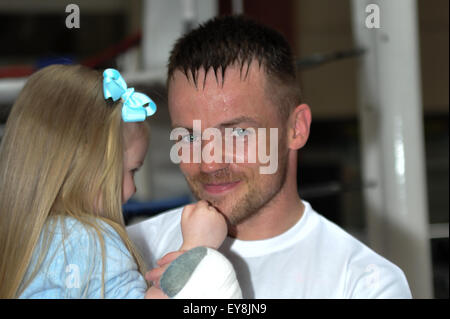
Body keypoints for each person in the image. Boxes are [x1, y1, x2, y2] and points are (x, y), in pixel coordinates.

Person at [127, 15, 413, 298]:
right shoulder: (130, 253)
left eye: (237, 133)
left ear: (296, 129)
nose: (209, 163)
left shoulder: (365, 285)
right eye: (189, 136)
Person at [0, 64, 241, 299]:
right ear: (89, 165)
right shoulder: (92, 242)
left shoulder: (19, 245)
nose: (133, 189)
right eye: (131, 171)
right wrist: (196, 249)